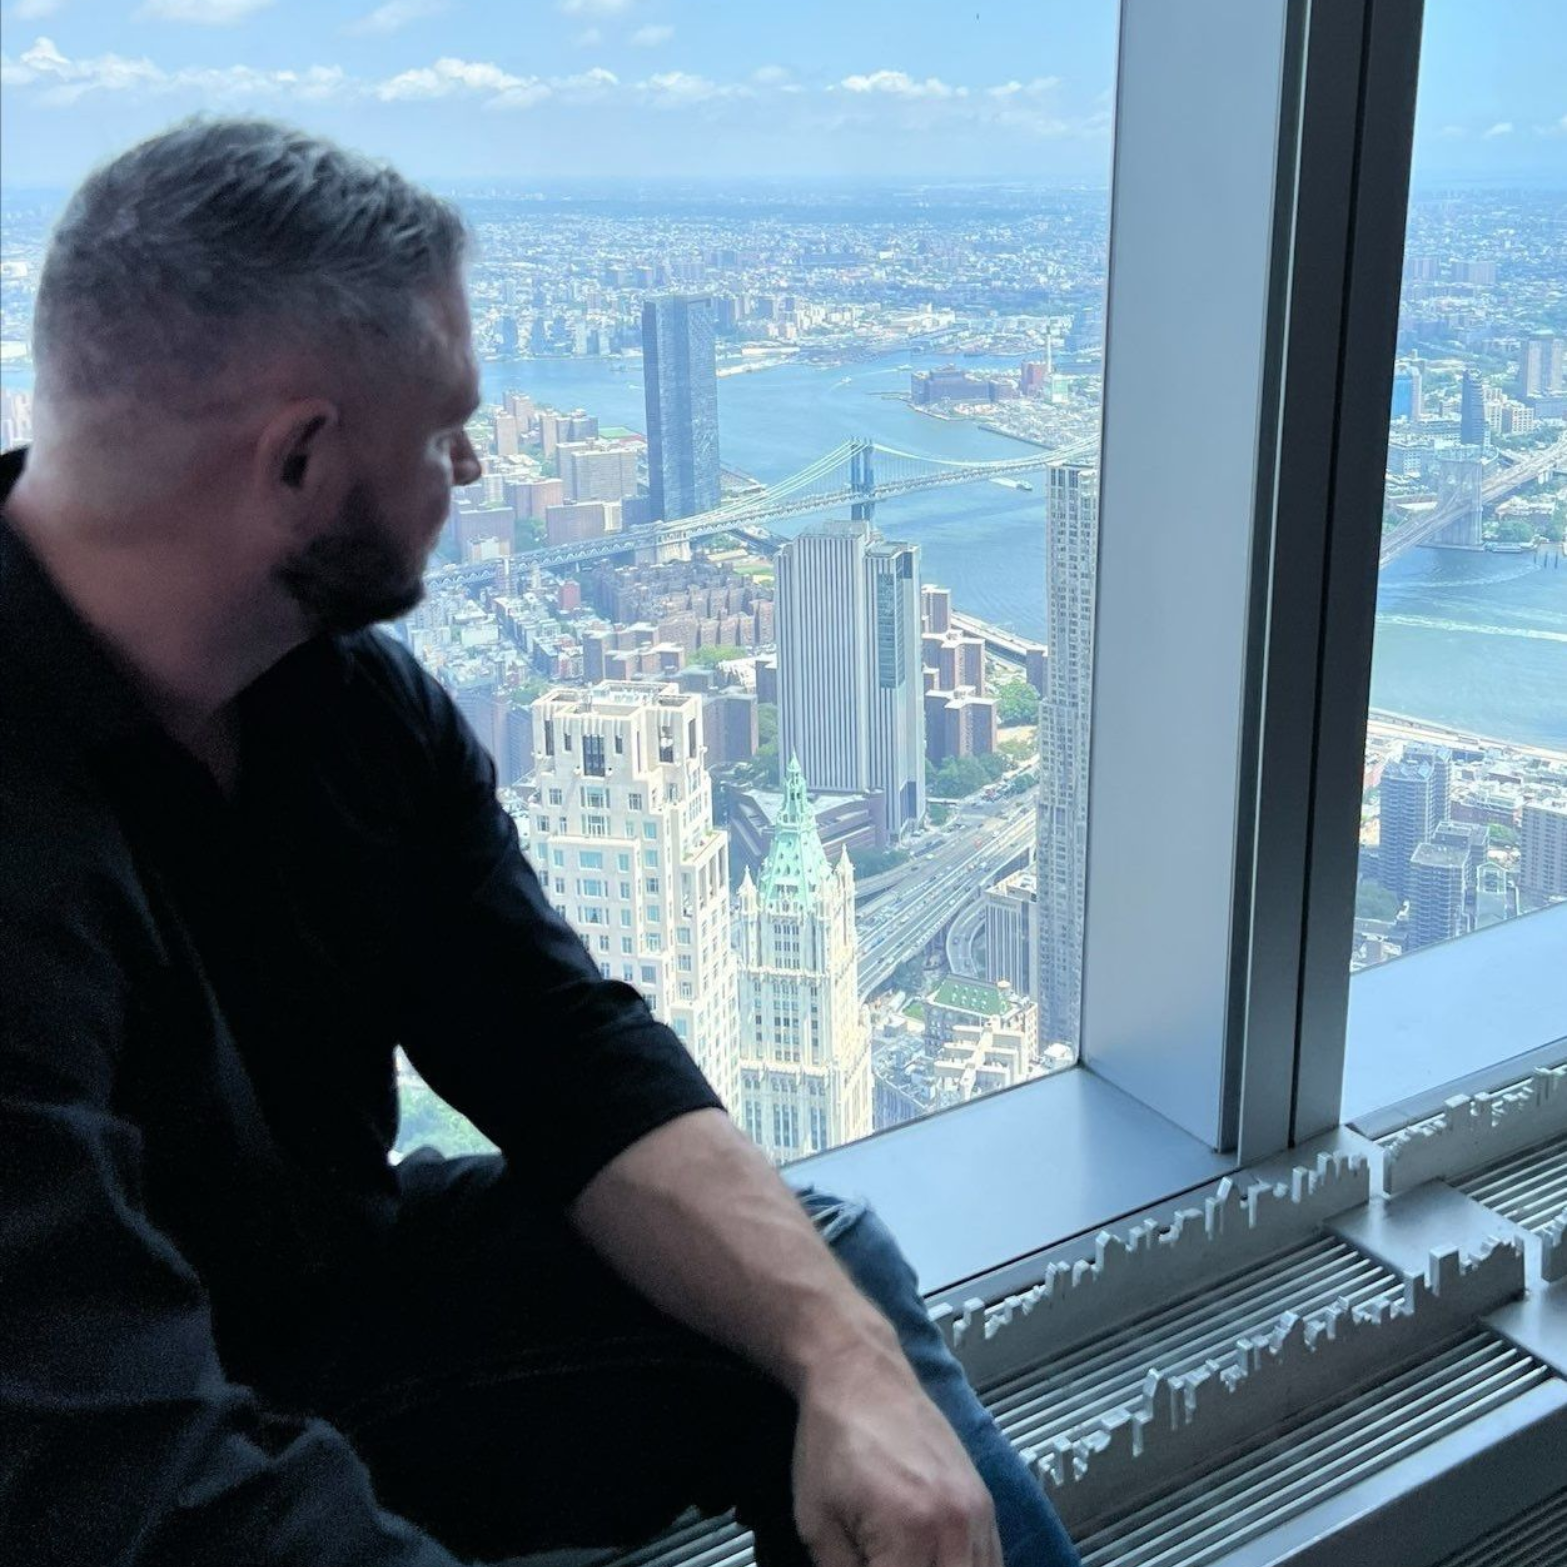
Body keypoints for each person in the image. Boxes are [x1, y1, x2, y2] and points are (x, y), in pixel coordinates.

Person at [0, 119, 1082, 1567]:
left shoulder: (344, 704)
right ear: (303, 458)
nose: (479, 459)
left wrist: (848, 1359)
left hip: (309, 1326)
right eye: (446, 422)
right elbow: (113, 1481)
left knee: (824, 1284)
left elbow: (564, 1053)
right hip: (85, 1461)